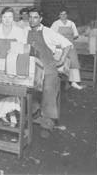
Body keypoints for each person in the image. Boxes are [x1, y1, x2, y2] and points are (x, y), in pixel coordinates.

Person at [26, 8, 72, 138]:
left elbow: (67, 44)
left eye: (35, 17)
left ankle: (48, 122)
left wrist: (62, 59)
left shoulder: (47, 32)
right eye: (30, 17)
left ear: (40, 19)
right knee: (29, 90)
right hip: (34, 69)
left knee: (48, 90)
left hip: (48, 69)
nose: (32, 20)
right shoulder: (26, 31)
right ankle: (34, 113)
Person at [51, 8, 83, 90]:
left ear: (67, 15)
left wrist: (69, 38)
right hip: (60, 46)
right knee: (60, 63)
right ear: (59, 15)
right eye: (61, 14)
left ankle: (74, 82)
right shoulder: (56, 23)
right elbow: (51, 35)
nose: (63, 16)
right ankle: (57, 82)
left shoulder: (71, 23)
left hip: (70, 46)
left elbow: (76, 35)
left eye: (65, 14)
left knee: (73, 63)